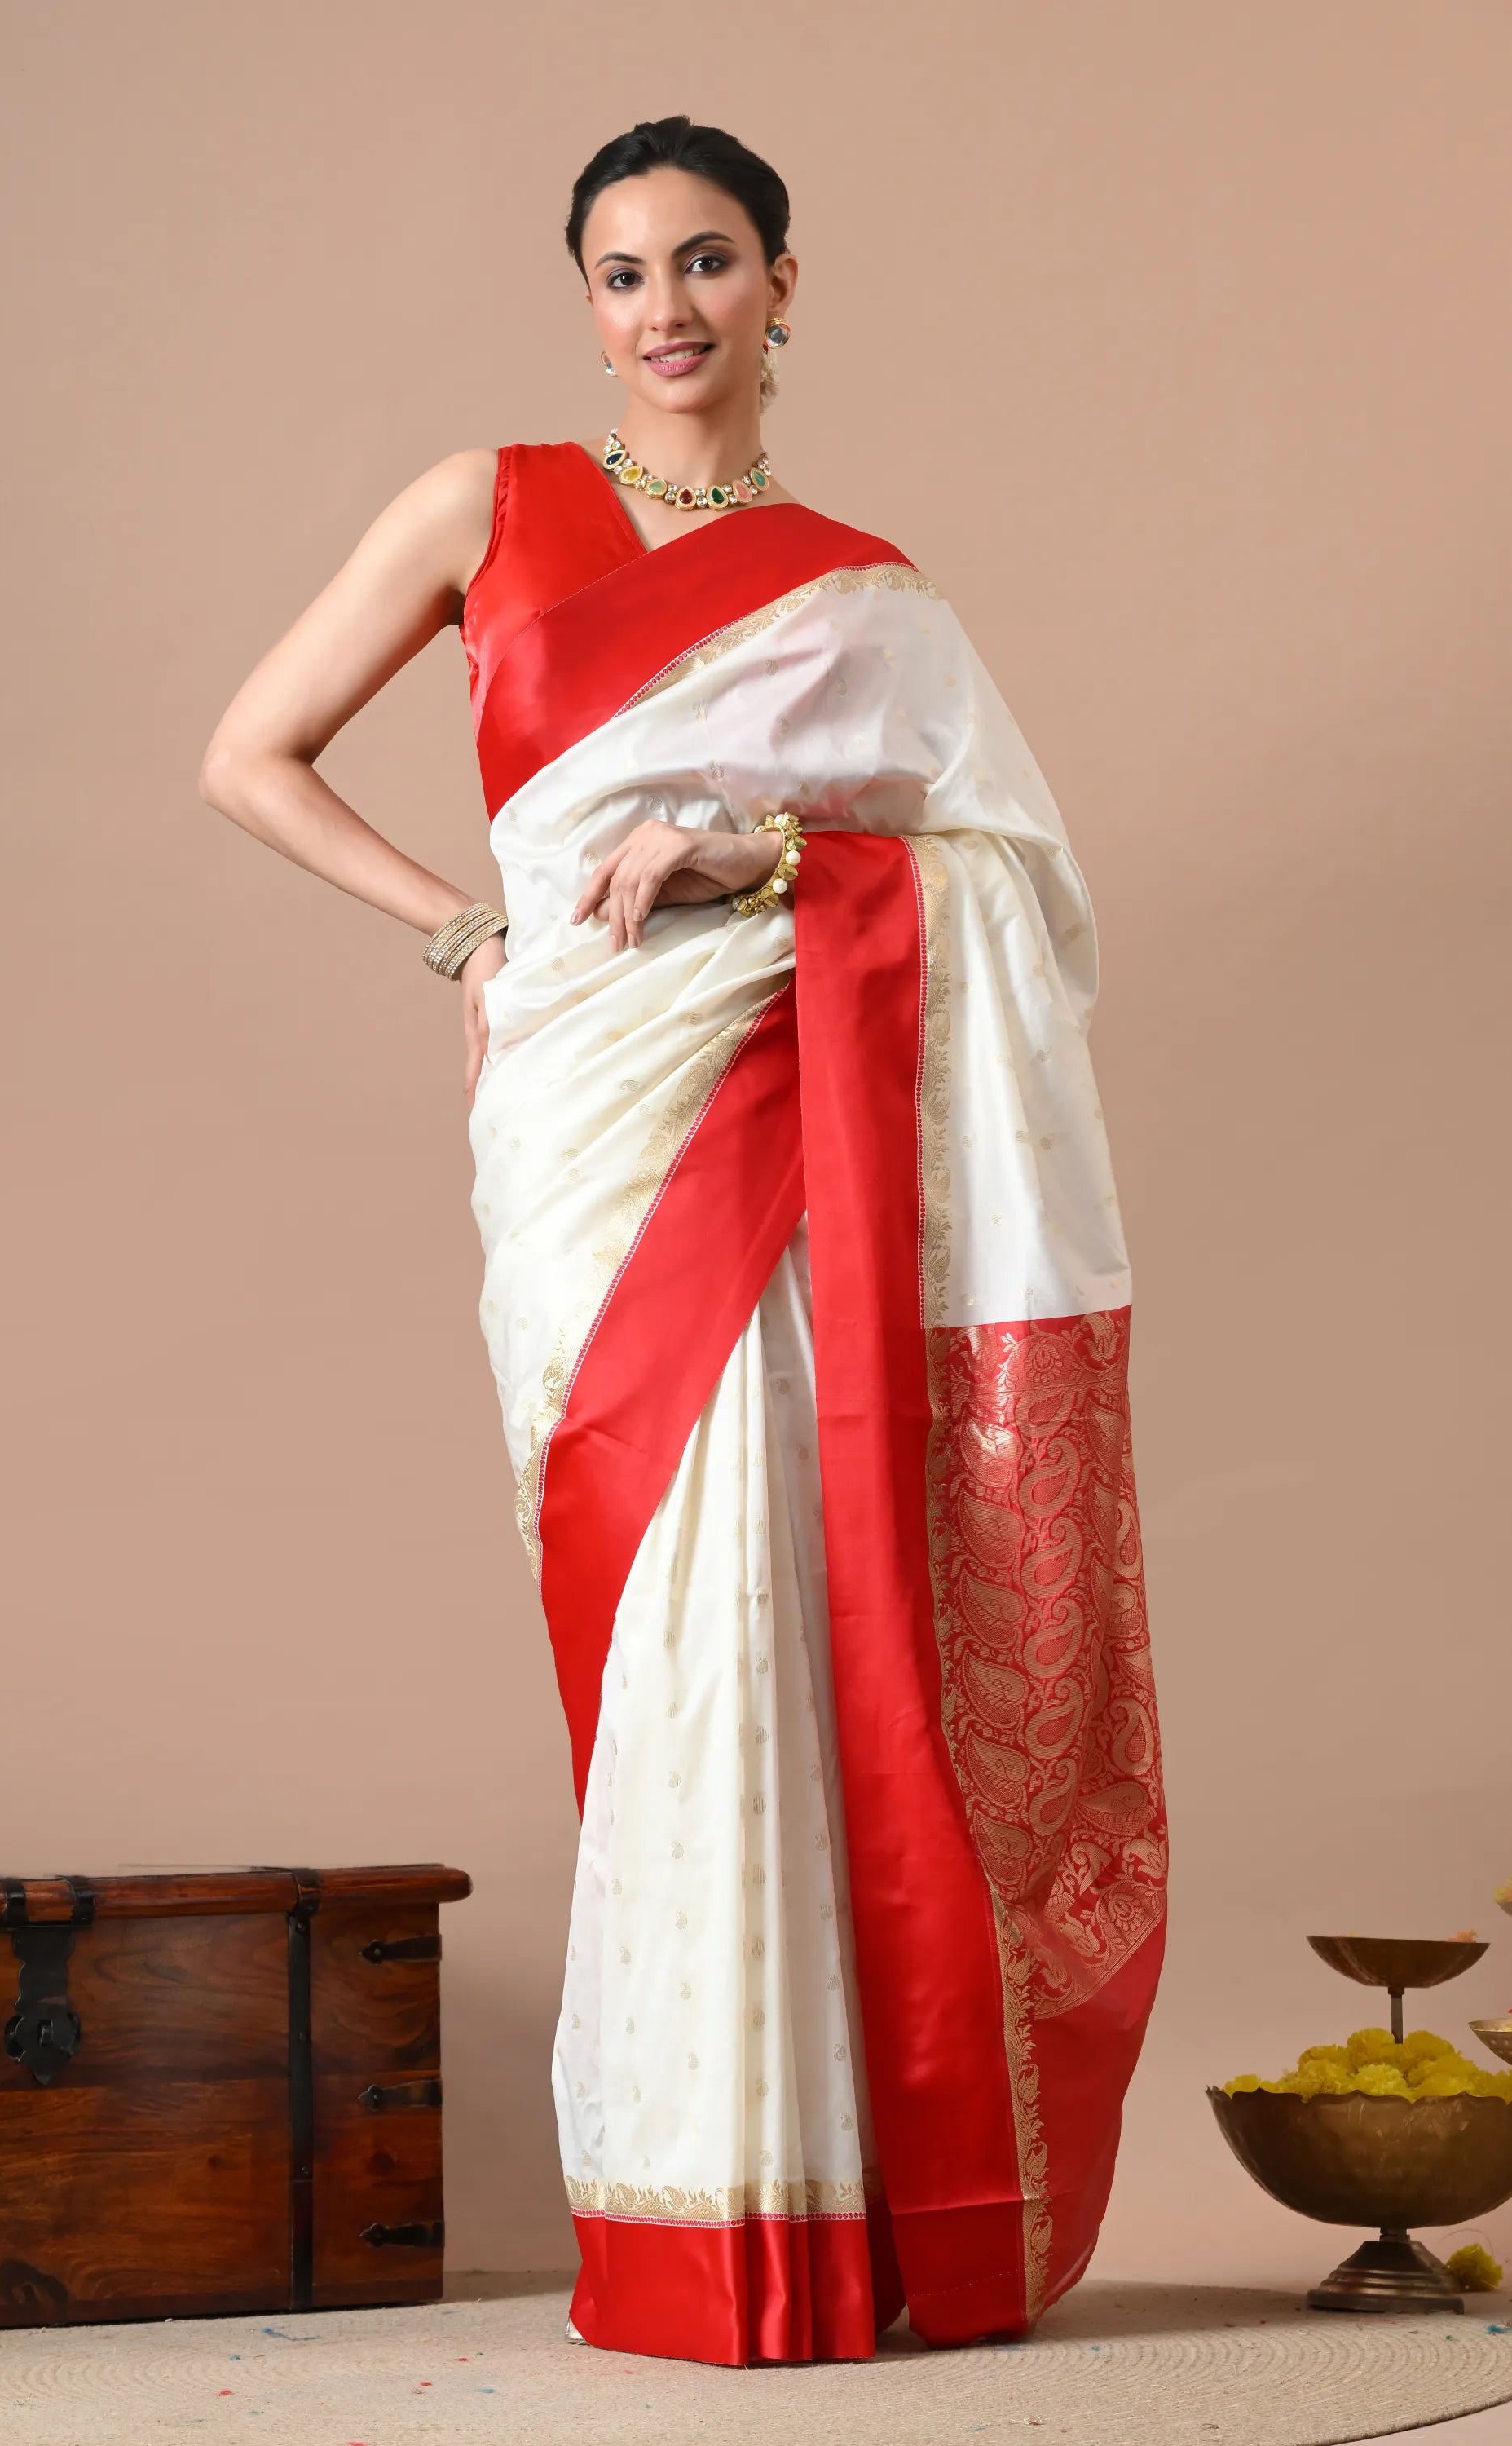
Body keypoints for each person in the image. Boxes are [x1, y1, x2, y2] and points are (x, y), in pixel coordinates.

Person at [201, 114, 1166, 2372]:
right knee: (654, 1624)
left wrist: (764, 851)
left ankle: (834, 2212)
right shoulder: (485, 504)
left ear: (783, 286)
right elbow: (250, 752)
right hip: (589, 1108)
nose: (665, 311)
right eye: (624, 273)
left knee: (788, 1601)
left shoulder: (868, 590)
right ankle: (686, 2210)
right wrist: (466, 932)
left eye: (707, 262)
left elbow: (1020, 890)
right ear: (588, 307)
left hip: (784, 1091)